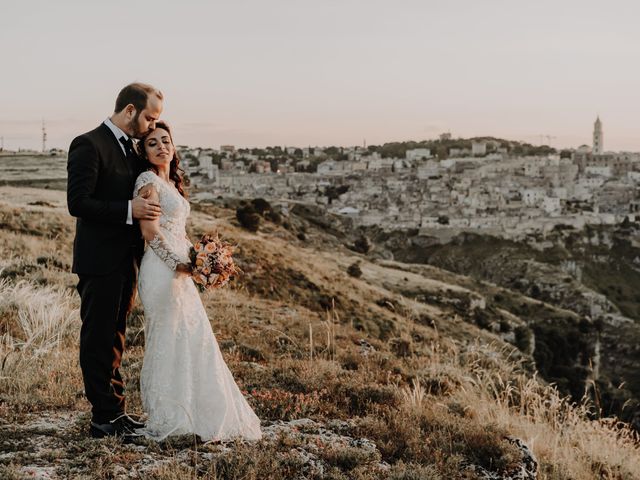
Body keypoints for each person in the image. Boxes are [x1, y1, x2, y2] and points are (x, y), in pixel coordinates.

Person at [133, 122, 262, 442]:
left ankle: (194, 412)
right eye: (153, 143)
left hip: (182, 269)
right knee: (170, 338)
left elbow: (178, 231)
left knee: (192, 337)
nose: (161, 146)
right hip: (161, 272)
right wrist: (177, 265)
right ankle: (172, 414)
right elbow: (149, 233)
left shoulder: (170, 183)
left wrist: (203, 259)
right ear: (143, 151)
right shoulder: (147, 181)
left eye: (166, 141)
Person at [67, 83, 164, 438]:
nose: (153, 125)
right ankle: (102, 418)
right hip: (99, 260)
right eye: (150, 118)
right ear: (129, 111)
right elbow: (78, 203)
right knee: (98, 337)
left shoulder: (132, 151)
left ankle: (116, 411)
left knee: (116, 337)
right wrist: (129, 210)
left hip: (127, 261)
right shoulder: (88, 144)